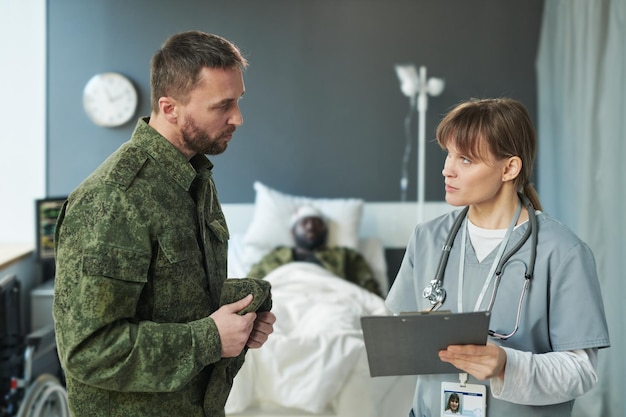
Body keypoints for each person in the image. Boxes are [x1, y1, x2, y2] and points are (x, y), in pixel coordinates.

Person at [52, 31, 275, 417]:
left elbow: (181, 301)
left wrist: (236, 326)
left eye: (238, 101)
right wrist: (209, 337)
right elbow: (88, 351)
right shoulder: (112, 198)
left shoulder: (195, 179)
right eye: (223, 105)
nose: (237, 117)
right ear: (170, 108)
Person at [385, 98, 610, 416]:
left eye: (465, 159)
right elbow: (400, 333)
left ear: (509, 168)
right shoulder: (426, 238)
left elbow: (581, 371)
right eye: (449, 154)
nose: (447, 169)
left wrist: (507, 364)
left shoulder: (563, 253)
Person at [248, 205, 382, 296]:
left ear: (326, 230)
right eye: (304, 222)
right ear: (293, 231)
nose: (311, 226)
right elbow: (250, 286)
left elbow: (370, 291)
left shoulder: (345, 256)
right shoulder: (274, 257)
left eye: (317, 223)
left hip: (333, 301)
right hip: (283, 298)